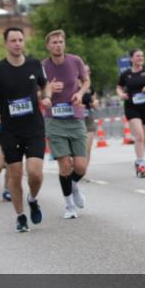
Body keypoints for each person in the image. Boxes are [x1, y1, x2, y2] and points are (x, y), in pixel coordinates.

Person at [0, 27, 51, 233]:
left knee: (35, 174)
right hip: (10, 130)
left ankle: (33, 199)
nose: (18, 44)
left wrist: (46, 97)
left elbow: (44, 85)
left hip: (34, 127)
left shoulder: (35, 64)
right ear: (6, 43)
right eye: (13, 40)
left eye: (20, 40)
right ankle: (20, 216)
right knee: (15, 174)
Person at [42, 29, 91, 219]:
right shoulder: (43, 67)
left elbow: (86, 81)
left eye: (61, 41)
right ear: (48, 46)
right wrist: (48, 92)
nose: (58, 45)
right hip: (54, 119)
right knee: (64, 165)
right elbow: (38, 91)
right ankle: (69, 205)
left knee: (80, 166)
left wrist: (80, 93)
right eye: (54, 42)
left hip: (75, 116)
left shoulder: (75, 61)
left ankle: (73, 184)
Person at [117, 49, 145, 178]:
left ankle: (139, 160)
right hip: (131, 107)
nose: (140, 58)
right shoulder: (126, 74)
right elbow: (118, 87)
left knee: (144, 138)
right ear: (131, 59)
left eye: (142, 55)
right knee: (139, 136)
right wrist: (121, 94)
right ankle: (141, 165)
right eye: (137, 56)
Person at [82, 87, 99, 160]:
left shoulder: (90, 87)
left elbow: (95, 106)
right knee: (78, 150)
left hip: (88, 119)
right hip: (74, 120)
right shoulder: (71, 82)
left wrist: (95, 103)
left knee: (87, 148)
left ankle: (84, 170)